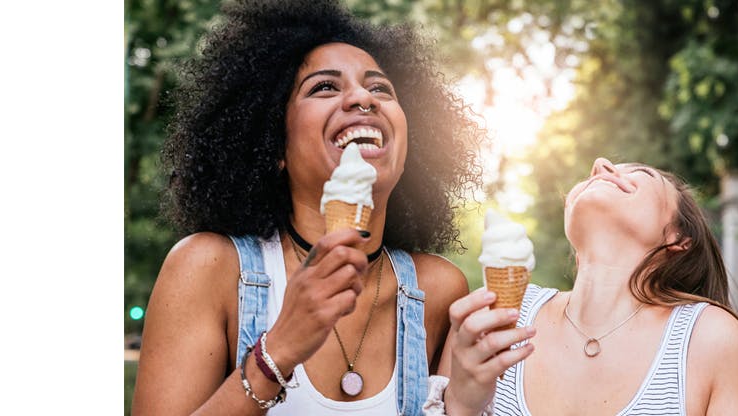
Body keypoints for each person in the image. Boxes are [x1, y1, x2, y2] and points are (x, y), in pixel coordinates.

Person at [130, 0, 486, 414]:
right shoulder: (208, 267)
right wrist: (276, 352)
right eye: (324, 87)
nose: (362, 99)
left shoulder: (438, 289)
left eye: (380, 88)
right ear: (273, 145)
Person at [427, 158, 738, 415]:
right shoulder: (490, 319)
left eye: (641, 174)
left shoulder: (714, 341)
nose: (600, 164)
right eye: (596, 173)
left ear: (678, 237)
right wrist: (460, 405)